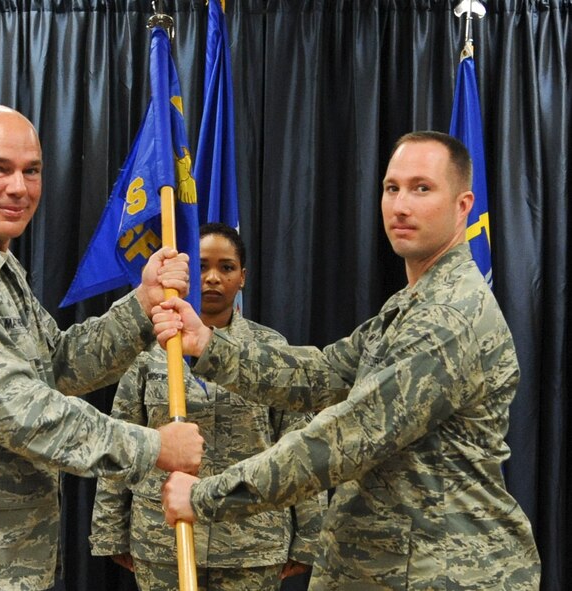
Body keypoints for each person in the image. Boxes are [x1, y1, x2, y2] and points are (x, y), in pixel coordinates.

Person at [155, 131, 541, 589]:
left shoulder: (447, 318)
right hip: (390, 567)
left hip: (441, 571)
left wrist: (207, 496)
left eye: (422, 188)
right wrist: (208, 344)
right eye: (391, 187)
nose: (400, 205)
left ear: (463, 206)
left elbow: (344, 437)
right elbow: (321, 374)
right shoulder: (412, 303)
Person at [0, 105, 204, 591]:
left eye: (32, 171)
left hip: (0, 560)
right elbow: (18, 410)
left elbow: (57, 365)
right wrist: (154, 447)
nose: (19, 188)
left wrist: (142, 306)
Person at [89, 223, 326, 590]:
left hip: (251, 542)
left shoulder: (271, 350)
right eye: (201, 266)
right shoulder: (149, 349)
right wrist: (110, 530)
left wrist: (310, 536)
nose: (213, 278)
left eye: (226, 267)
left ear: (243, 277)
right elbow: (121, 438)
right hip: (162, 538)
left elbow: (300, 445)